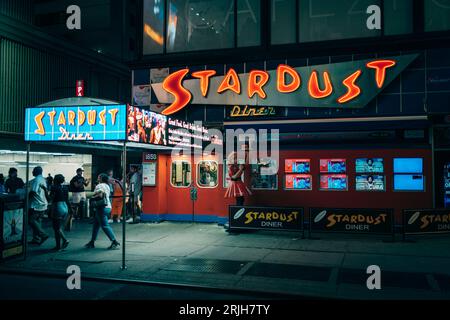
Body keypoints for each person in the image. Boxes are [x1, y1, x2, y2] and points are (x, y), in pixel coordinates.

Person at [85, 174, 120, 249]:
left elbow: (99, 193)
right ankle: (92, 241)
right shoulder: (107, 186)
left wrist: (92, 196)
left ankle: (114, 241)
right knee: (96, 225)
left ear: (101, 178)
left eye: (98, 177)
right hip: (107, 207)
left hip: (102, 208)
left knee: (105, 225)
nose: (97, 178)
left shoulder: (99, 186)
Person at [28, 166, 49, 245]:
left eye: (33, 171)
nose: (32, 172)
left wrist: (26, 197)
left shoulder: (36, 180)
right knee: (38, 221)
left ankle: (44, 235)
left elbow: (33, 191)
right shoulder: (43, 179)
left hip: (37, 204)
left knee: (31, 220)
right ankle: (36, 238)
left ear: (36, 171)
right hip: (43, 204)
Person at [49, 174, 70, 251]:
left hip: (57, 206)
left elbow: (50, 198)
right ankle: (63, 241)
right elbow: (67, 199)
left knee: (56, 228)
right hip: (65, 207)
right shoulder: (65, 188)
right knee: (58, 227)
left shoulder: (54, 187)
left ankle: (60, 245)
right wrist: (70, 210)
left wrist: (44, 190)